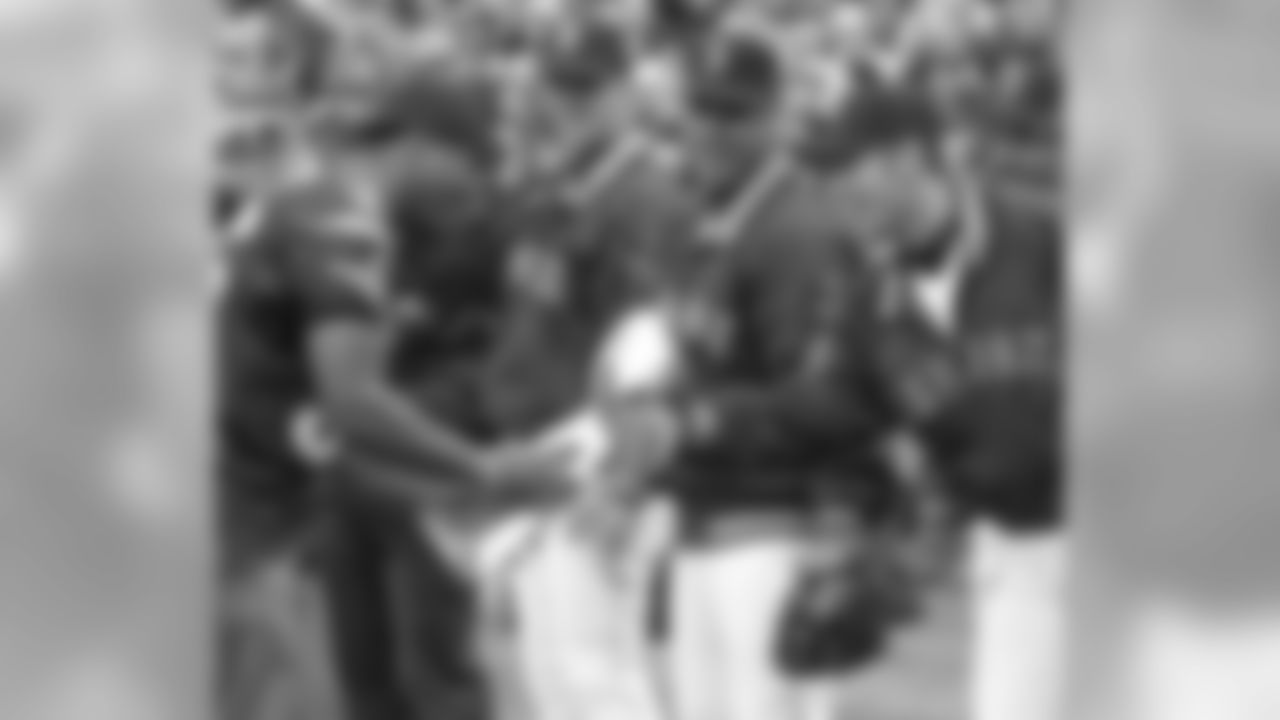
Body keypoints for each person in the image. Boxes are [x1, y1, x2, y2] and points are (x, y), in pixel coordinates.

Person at [651, 32, 899, 720]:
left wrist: (697, 419)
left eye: (734, 113)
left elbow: (826, 403)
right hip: (704, 518)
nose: (711, 129)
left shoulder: (800, 232)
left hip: (775, 532)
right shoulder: (709, 215)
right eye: (702, 109)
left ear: (778, 116)